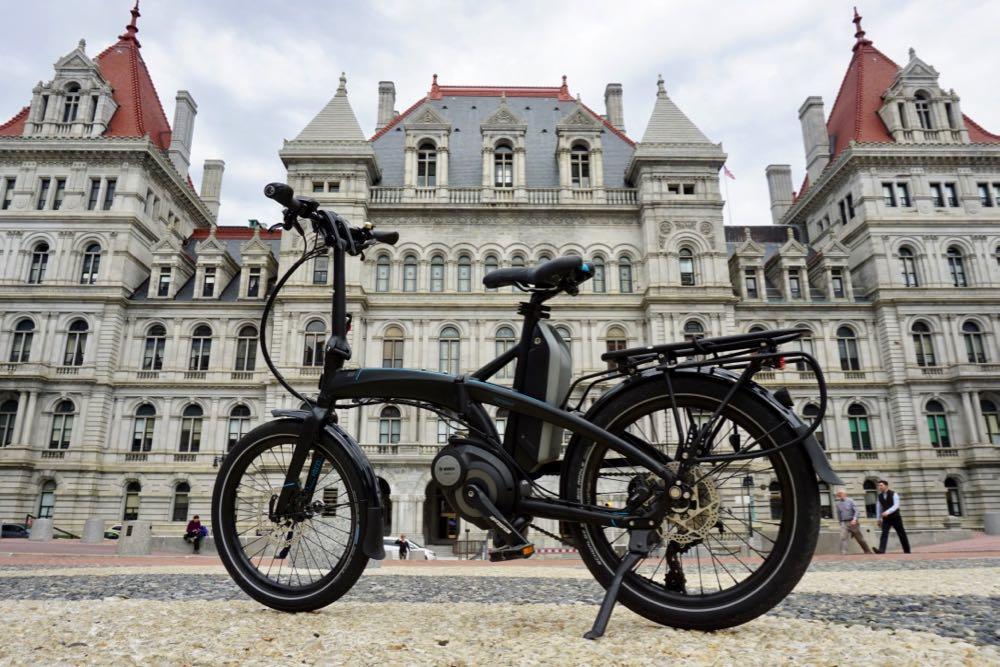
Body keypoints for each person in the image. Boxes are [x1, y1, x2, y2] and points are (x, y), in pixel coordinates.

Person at [874, 479, 911, 554]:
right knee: (884, 533)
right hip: (886, 519)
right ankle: (881, 550)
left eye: (881, 485)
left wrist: (887, 512)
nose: (879, 487)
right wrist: (878, 519)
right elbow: (879, 508)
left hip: (896, 517)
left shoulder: (894, 494)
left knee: (901, 534)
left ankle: (907, 550)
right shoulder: (879, 496)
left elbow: (896, 506)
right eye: (878, 486)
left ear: (886, 486)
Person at [834, 488, 872, 555]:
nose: (839, 495)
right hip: (844, 523)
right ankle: (843, 552)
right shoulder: (838, 504)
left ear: (845, 494)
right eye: (838, 494)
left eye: (840, 493)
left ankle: (867, 550)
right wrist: (840, 522)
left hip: (853, 522)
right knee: (843, 537)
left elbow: (857, 511)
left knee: (859, 538)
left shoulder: (851, 501)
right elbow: (839, 514)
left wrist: (854, 519)